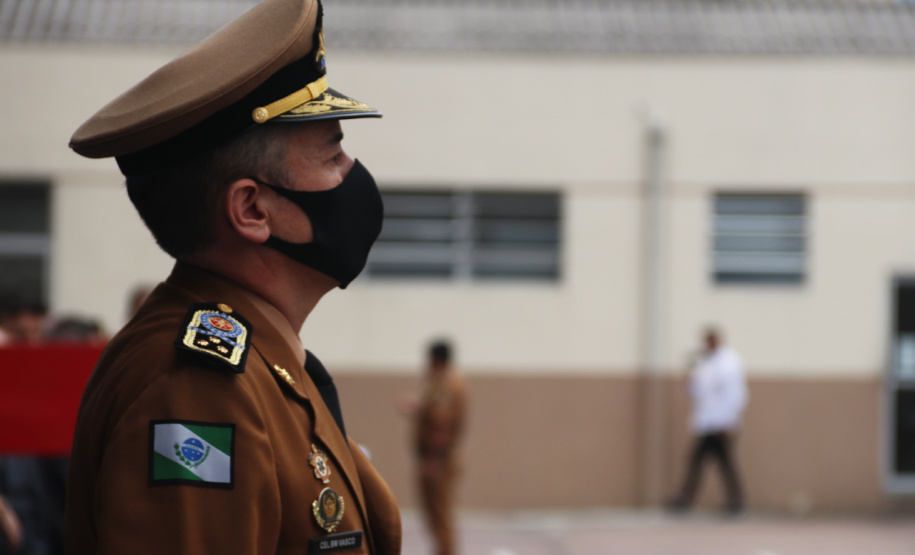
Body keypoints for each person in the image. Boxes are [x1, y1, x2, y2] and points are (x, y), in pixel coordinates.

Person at [64, 0, 401, 553]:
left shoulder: (269, 365)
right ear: (252, 210)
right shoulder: (197, 390)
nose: (353, 174)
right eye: (332, 154)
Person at [668, 327, 748, 515]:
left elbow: (736, 395)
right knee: (703, 462)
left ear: (718, 340)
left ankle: (734, 502)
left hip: (721, 425)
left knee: (721, 464)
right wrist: (688, 376)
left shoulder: (729, 363)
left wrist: (728, 422)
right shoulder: (705, 363)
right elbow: (696, 391)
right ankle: (687, 499)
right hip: (706, 424)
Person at [400, 341, 466, 555]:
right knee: (434, 515)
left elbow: (442, 426)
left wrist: (432, 460)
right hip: (435, 458)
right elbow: (432, 412)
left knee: (440, 515)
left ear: (436, 359)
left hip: (439, 460)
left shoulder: (448, 384)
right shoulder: (440, 382)